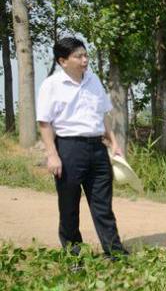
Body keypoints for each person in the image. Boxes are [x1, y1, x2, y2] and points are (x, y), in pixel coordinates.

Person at [36, 37, 128, 258]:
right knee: (69, 205)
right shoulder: (51, 85)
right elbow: (44, 123)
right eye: (78, 56)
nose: (85, 60)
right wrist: (52, 155)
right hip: (69, 148)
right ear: (63, 61)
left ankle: (114, 252)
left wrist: (114, 142)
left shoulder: (93, 80)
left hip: (97, 148)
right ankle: (73, 254)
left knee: (103, 204)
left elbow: (103, 114)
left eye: (86, 55)